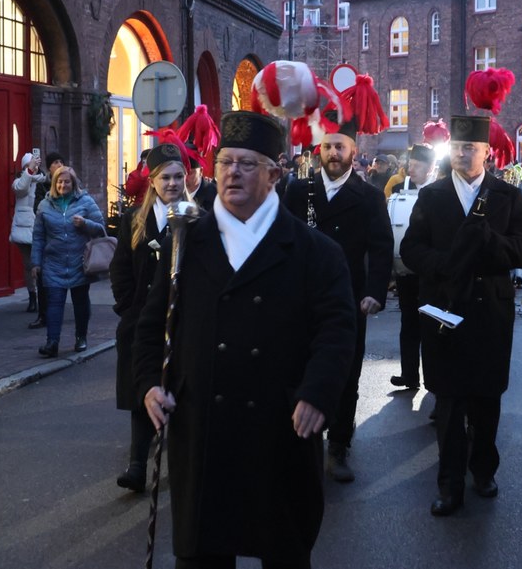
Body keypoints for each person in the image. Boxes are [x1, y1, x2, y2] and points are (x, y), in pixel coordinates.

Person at [133, 110, 356, 569]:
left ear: (274, 174)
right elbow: (154, 323)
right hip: (203, 428)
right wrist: (148, 384)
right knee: (203, 554)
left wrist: (317, 393)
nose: (233, 172)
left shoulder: (314, 252)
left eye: (247, 163)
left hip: (280, 427)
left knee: (283, 549)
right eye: (225, 162)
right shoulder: (186, 241)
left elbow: (337, 331)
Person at [399, 114, 522, 517]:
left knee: (486, 397)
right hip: (443, 310)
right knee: (448, 399)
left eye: (470, 147)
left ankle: (483, 469)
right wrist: (447, 264)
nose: (463, 152)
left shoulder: (507, 197)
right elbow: (411, 250)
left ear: (486, 152)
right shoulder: (432, 195)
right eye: (458, 146)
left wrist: (490, 244)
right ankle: (449, 483)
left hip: (489, 313)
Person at [285, 117, 393, 483]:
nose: (334, 153)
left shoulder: (370, 197)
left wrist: (374, 293)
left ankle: (339, 444)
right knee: (299, 368)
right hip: (300, 299)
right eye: (328, 146)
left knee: (346, 374)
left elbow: (380, 250)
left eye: (340, 147)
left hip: (348, 300)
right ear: (320, 150)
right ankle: (302, 440)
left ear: (353, 151)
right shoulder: (299, 192)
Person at [110, 143, 186, 493]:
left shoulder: (196, 219)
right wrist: (129, 308)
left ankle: (185, 460)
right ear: (153, 182)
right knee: (143, 389)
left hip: (184, 323)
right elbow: (120, 269)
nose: (172, 183)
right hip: (142, 322)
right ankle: (137, 463)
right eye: (165, 177)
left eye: (178, 176)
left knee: (181, 391)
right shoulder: (133, 221)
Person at [31, 165, 105, 357]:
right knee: (54, 303)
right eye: (60, 181)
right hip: (53, 263)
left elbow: (101, 228)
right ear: (54, 184)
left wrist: (85, 224)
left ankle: (81, 337)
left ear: (73, 183)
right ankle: (52, 342)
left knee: (80, 302)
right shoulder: (44, 206)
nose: (63, 185)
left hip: (79, 261)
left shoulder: (86, 202)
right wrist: (36, 262)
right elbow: (38, 236)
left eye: (67, 181)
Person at [389, 144, 436, 391]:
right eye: (411, 164)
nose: (411, 169)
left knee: (430, 327)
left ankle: (432, 379)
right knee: (408, 324)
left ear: (430, 169)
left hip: (429, 272)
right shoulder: (399, 190)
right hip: (406, 271)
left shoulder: (439, 192)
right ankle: (409, 375)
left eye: (417, 166)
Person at [28, 151, 66, 331]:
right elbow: (37, 209)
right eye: (55, 162)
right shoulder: (42, 185)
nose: (58, 165)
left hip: (66, 241)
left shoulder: (71, 182)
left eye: (61, 161)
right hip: (48, 239)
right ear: (49, 167)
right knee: (43, 279)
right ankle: (43, 315)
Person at [10, 152, 48, 313]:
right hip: (25, 229)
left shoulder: (44, 180)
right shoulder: (19, 181)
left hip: (43, 226)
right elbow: (20, 189)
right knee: (29, 265)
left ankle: (44, 296)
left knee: (42, 264)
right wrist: (30, 172)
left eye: (33, 164)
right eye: (28, 165)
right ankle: (33, 296)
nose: (32, 168)